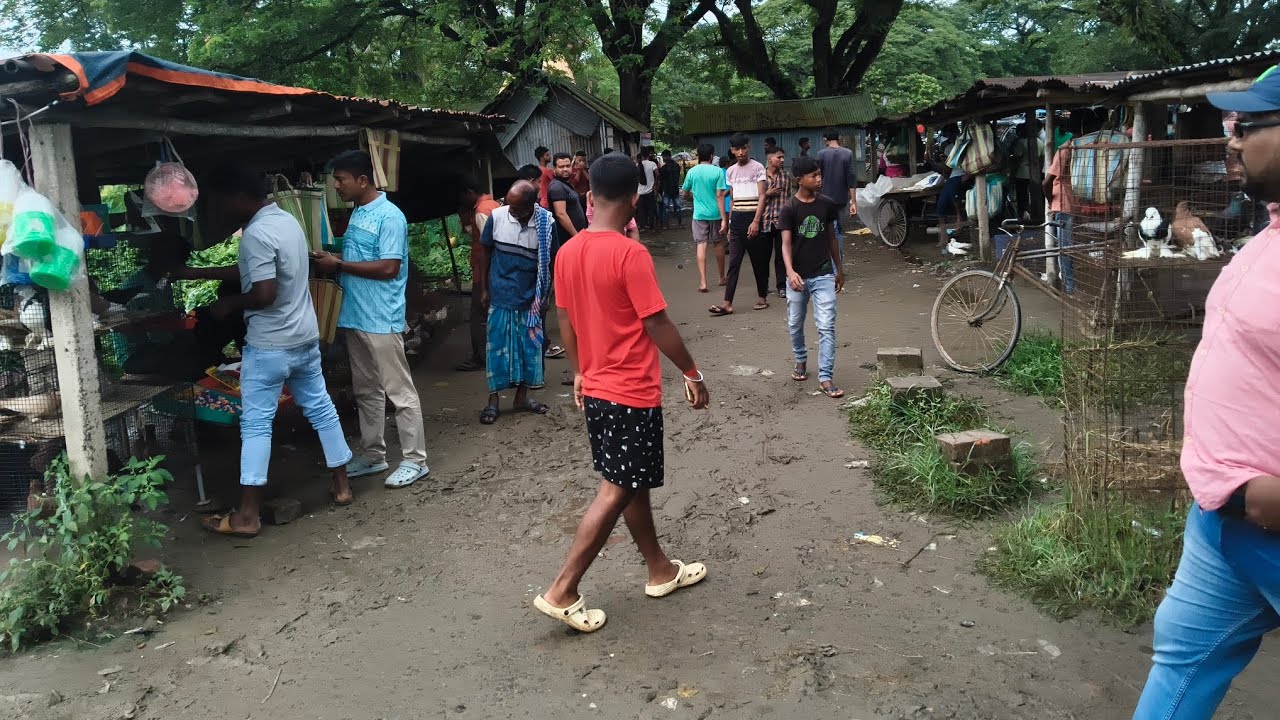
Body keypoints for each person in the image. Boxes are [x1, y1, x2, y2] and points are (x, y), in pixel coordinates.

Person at [1133, 64, 1280, 718]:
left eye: (1246, 125)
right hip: (1221, 520)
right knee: (1180, 666)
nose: (1231, 139)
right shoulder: (1268, 232)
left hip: (1271, 521)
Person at [533, 151, 710, 633]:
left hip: (596, 388)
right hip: (630, 390)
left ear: (589, 198)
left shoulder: (568, 252)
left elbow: (565, 322)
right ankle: (563, 589)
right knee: (618, 486)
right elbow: (656, 322)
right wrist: (692, 372)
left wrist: (579, 373)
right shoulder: (631, 254)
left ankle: (659, 569)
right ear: (635, 198)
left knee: (628, 480)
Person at [187, 163, 353, 537]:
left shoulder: (257, 234)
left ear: (238, 198)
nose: (221, 211)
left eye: (222, 203)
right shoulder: (286, 222)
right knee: (321, 408)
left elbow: (263, 292)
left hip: (270, 345)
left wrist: (229, 306)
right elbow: (255, 272)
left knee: (256, 424)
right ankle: (341, 485)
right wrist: (197, 275)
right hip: (304, 337)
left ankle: (246, 515)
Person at [312, 150, 429, 489]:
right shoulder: (359, 213)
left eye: (341, 180)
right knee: (366, 390)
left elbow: (389, 267)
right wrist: (335, 258)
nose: (337, 186)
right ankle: (374, 454)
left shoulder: (389, 216)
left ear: (362, 180)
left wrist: (340, 266)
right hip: (356, 315)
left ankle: (415, 459)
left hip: (381, 318)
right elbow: (361, 258)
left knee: (399, 391)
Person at [477, 180, 555, 425]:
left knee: (527, 351)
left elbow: (552, 264)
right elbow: (485, 253)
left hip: (530, 298)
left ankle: (521, 397)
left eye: (517, 207)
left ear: (531, 205)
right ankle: (493, 401)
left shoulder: (546, 224)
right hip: (500, 295)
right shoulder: (498, 217)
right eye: (509, 205)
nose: (510, 210)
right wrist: (483, 289)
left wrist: (546, 297)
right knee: (496, 350)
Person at [780, 156, 845, 400]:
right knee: (795, 323)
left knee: (826, 325)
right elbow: (785, 244)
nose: (819, 179)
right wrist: (789, 271)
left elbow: (831, 238)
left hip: (823, 274)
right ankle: (800, 358)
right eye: (814, 176)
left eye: (820, 175)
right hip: (797, 276)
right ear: (800, 180)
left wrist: (839, 268)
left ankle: (825, 377)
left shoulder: (827, 205)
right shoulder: (789, 208)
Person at [709, 132, 767, 316]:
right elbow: (733, 199)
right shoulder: (731, 171)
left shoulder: (758, 168)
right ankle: (727, 303)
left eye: (743, 148)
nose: (740, 152)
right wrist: (728, 222)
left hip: (753, 218)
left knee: (759, 261)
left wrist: (756, 221)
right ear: (732, 151)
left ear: (748, 147)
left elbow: (763, 195)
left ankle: (762, 297)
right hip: (737, 221)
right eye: (736, 149)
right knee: (734, 262)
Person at [456, 175, 502, 372]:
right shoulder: (493, 204)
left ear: (469, 193)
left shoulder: (481, 211)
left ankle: (481, 358)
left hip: (484, 272)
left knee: (478, 317)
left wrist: (483, 284)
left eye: (462, 196)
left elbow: (488, 247)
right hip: (493, 271)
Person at [681, 144, 729, 293]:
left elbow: (685, 193)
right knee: (718, 244)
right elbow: (720, 195)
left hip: (699, 214)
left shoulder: (692, 172)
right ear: (711, 156)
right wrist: (724, 219)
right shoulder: (717, 172)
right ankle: (721, 278)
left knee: (701, 245)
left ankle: (703, 282)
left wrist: (692, 198)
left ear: (698, 156)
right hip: (715, 213)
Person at [815, 127, 857, 261]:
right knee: (838, 230)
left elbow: (817, 177)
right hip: (841, 198)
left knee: (826, 230)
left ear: (825, 139)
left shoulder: (821, 154)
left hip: (824, 198)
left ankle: (829, 264)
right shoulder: (848, 153)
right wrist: (853, 201)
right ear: (838, 138)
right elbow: (851, 178)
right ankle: (838, 264)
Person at [1041, 132, 1074, 294]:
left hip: (1061, 203)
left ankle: (1069, 288)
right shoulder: (1086, 148)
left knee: (1063, 248)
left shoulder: (1065, 149)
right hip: (1075, 203)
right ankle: (1067, 283)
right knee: (1066, 247)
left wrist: (1048, 200)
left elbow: (1046, 182)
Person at [761, 144, 791, 299]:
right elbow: (756, 199)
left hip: (781, 222)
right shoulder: (760, 177)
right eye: (779, 157)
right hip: (764, 221)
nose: (782, 160)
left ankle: (782, 286)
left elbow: (788, 199)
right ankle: (763, 287)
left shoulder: (786, 177)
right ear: (769, 158)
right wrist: (767, 194)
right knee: (763, 256)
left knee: (781, 255)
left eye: (782, 157)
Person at [935, 124, 968, 253]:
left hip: (963, 176)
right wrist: (940, 162)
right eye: (948, 135)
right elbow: (947, 169)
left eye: (952, 134)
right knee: (941, 204)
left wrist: (968, 174)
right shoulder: (948, 148)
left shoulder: (966, 146)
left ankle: (960, 216)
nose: (950, 137)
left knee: (953, 190)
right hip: (953, 176)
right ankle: (943, 237)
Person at [548, 152, 588, 247]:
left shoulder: (565, 184)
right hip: (568, 239)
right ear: (554, 169)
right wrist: (576, 236)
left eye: (567, 166)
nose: (565, 169)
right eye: (561, 167)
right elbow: (560, 214)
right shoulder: (557, 187)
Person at [1010, 122, 1045, 222]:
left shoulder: (1021, 142)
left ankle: (1023, 215)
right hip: (1035, 173)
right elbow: (1042, 158)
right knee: (1034, 194)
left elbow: (1017, 157)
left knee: (1021, 195)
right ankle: (1036, 214)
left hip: (1021, 173)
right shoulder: (1040, 142)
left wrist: (1012, 173)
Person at [658, 149, 683, 229]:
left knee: (666, 207)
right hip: (675, 189)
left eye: (663, 157)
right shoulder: (677, 166)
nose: (663, 158)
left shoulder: (663, 168)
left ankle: (665, 225)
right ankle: (679, 224)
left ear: (666, 156)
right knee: (678, 207)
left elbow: (661, 179)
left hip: (667, 190)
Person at [637, 148, 659, 232]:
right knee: (651, 209)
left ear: (641, 155)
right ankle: (652, 227)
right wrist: (655, 185)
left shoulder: (637, 165)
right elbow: (657, 174)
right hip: (650, 191)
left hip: (640, 192)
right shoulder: (652, 164)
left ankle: (642, 227)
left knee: (641, 210)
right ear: (648, 154)